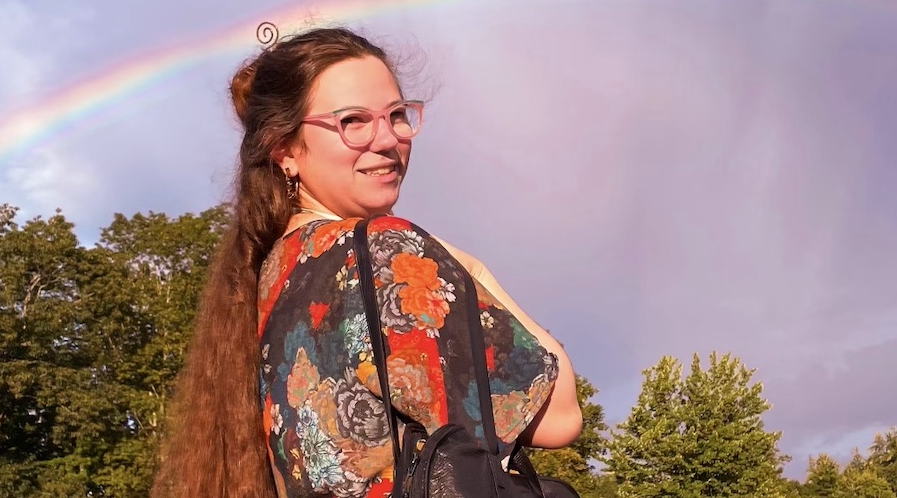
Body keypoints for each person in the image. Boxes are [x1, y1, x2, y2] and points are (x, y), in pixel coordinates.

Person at [151, 24, 582, 498]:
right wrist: (471, 270)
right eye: (352, 121)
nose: (386, 140)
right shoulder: (385, 250)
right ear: (284, 149)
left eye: (397, 115)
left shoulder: (268, 275)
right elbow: (559, 417)